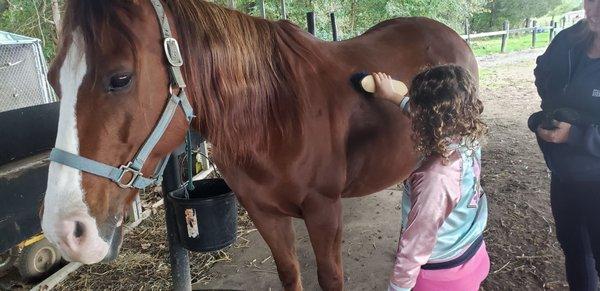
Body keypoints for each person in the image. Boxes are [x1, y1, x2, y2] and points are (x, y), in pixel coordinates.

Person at [372, 65, 490, 291]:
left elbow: (416, 245)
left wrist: (398, 288)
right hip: (472, 254)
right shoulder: (467, 135)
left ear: (423, 118)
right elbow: (436, 117)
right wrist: (395, 97)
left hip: (441, 278)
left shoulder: (435, 176)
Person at [530, 0, 600, 289]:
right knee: (574, 250)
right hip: (563, 173)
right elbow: (543, 71)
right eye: (591, 1)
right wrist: (549, 112)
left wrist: (576, 134)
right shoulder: (568, 39)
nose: (594, 9)